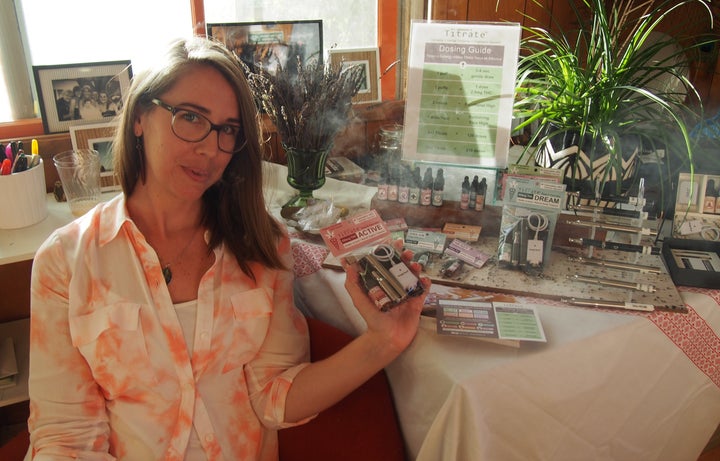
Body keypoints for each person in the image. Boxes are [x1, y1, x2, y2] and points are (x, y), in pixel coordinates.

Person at [28, 36, 430, 460]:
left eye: (227, 130)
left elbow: (275, 397)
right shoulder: (66, 262)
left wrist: (384, 342)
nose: (209, 148)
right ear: (140, 117)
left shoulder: (261, 244)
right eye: (189, 117)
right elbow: (66, 440)